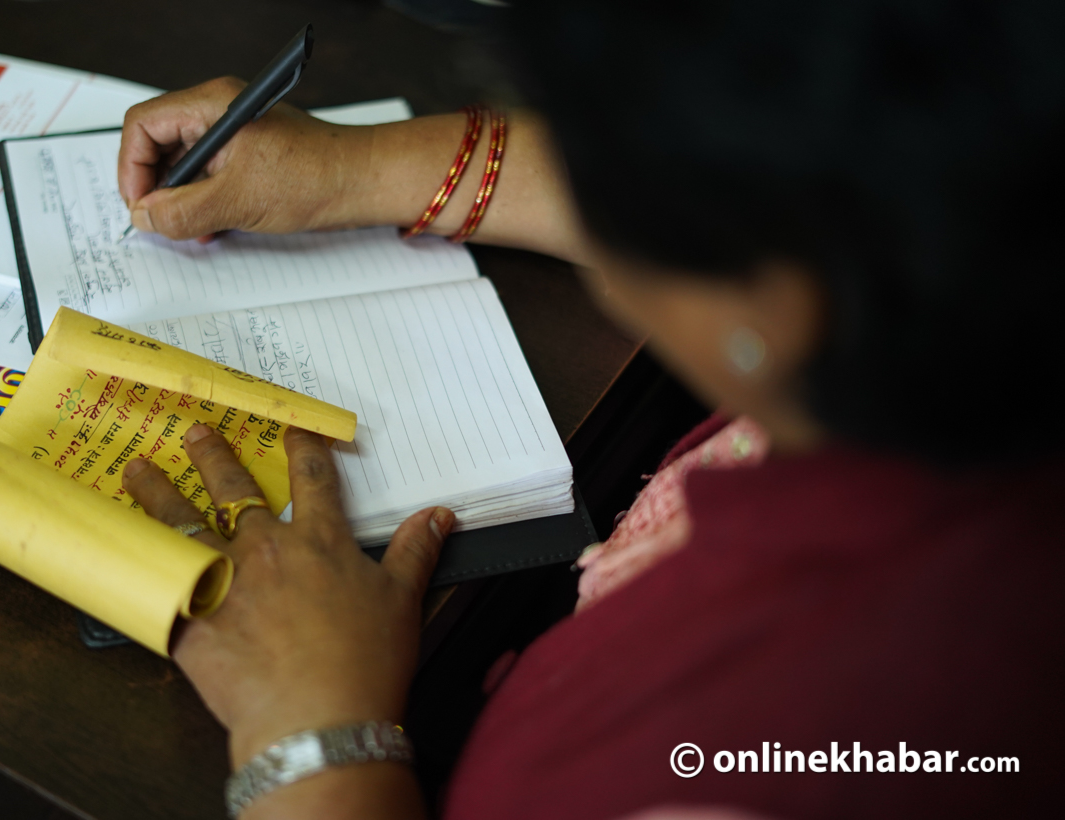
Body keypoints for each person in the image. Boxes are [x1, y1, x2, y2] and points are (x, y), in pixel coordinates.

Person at [114, 1, 1065, 817]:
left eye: (592, 152)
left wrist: (312, 740)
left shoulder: (752, 755)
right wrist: (356, 171)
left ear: (774, 303)